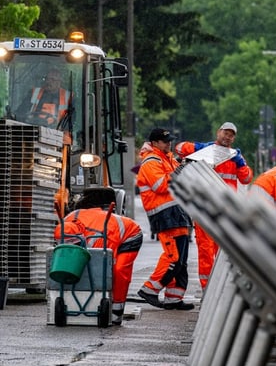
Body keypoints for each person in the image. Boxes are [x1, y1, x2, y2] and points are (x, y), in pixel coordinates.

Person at [175, 121, 253, 291]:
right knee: (206, 250)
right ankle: (207, 290)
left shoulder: (235, 156)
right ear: (219, 132)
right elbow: (179, 148)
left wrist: (240, 163)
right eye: (226, 132)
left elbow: (246, 179)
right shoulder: (206, 150)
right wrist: (199, 148)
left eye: (231, 134)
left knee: (223, 252)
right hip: (205, 206)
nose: (228, 136)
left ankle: (221, 289)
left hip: (225, 210)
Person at [53, 189, 143, 326]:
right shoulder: (68, 220)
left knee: (118, 270)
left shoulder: (107, 229)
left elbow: (105, 260)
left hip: (130, 236)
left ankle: (116, 312)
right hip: (104, 229)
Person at [135, 128, 194, 310]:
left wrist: (186, 166)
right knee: (173, 258)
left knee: (181, 261)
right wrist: (182, 170)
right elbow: (160, 185)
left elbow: (180, 176)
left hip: (177, 213)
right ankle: (149, 289)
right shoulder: (151, 162)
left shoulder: (166, 159)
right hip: (164, 215)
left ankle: (173, 298)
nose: (169, 144)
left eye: (169, 141)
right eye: (165, 141)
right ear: (154, 143)